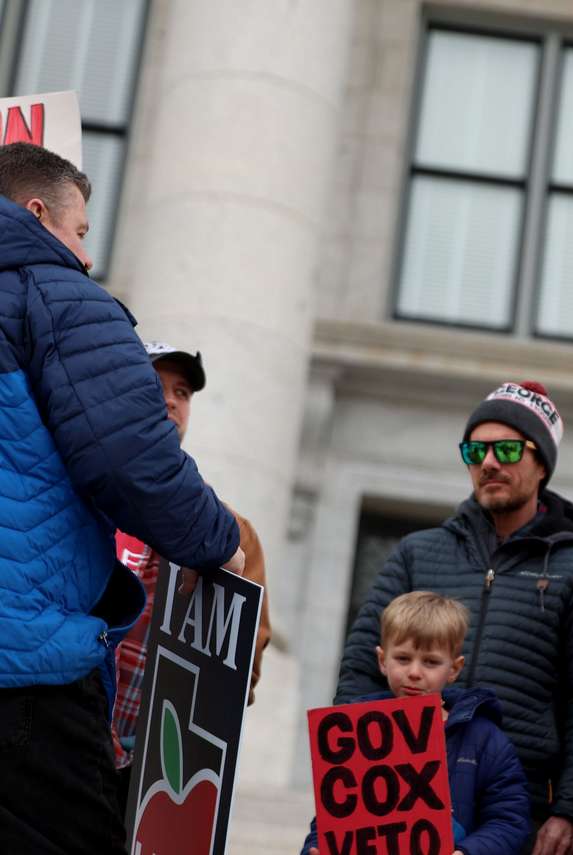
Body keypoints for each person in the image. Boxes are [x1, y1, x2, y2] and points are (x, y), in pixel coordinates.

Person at [0, 142, 243, 852]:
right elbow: (126, 459)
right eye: (80, 232)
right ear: (38, 213)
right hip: (26, 665)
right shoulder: (57, 293)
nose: (87, 255)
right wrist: (219, 539)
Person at [336, 381, 573, 855]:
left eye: (506, 448)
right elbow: (361, 667)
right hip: (400, 795)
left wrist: (568, 808)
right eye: (475, 450)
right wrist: (354, 779)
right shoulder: (416, 554)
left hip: (517, 808)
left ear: (541, 463)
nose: (489, 463)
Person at [111, 341, 274, 810]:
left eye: (182, 392)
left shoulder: (233, 532)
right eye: (155, 385)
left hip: (158, 773)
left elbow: (243, 666)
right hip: (67, 742)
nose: (170, 400)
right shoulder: (86, 501)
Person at [305, 591, 532, 855]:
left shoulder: (484, 739)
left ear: (454, 669)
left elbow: (509, 821)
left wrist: (467, 852)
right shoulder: (354, 732)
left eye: (431, 662)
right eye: (403, 658)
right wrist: (317, 847)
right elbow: (332, 814)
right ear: (382, 660)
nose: (414, 672)